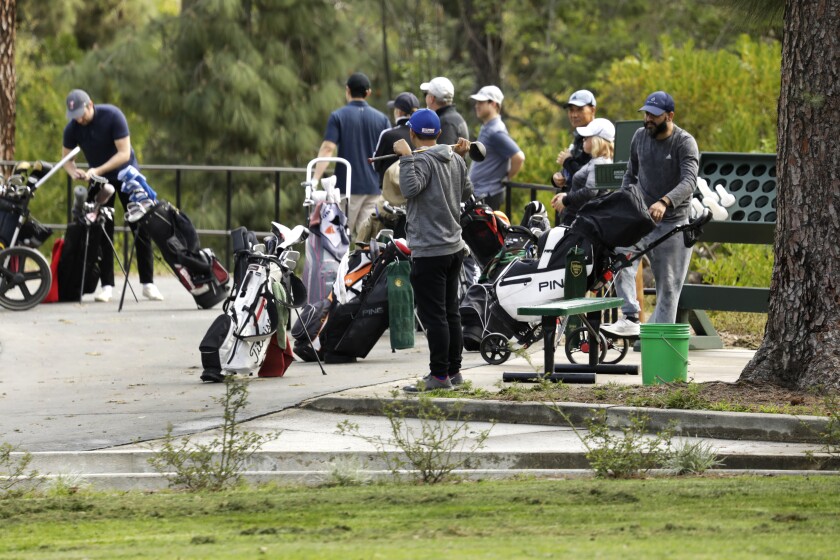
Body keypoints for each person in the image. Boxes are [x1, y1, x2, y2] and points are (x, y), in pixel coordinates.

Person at [601, 91, 700, 338]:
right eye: (646, 114)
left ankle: (661, 340)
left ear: (669, 116)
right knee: (622, 256)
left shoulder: (684, 142)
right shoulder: (639, 136)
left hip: (674, 224)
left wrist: (665, 202)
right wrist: (625, 201)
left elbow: (689, 181)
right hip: (642, 218)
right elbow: (630, 173)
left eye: (654, 115)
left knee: (668, 286)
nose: (648, 119)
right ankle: (630, 316)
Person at [394, 109, 473, 392]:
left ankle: (439, 376)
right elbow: (466, 192)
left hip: (430, 250)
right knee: (450, 312)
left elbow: (409, 189)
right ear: (439, 134)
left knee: (435, 316)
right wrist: (461, 159)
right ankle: (454, 372)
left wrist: (406, 157)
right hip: (454, 248)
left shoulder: (421, 160)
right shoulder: (455, 159)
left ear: (411, 133)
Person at [62, 89, 162, 303]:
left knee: (140, 227)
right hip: (98, 181)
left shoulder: (113, 116)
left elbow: (124, 154)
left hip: (126, 176)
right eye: (74, 116)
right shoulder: (72, 128)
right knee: (101, 231)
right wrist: (74, 173)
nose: (79, 119)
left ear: (90, 105)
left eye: (81, 114)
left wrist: (96, 170)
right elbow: (66, 159)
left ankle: (148, 283)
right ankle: (107, 286)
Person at [312, 72, 390, 239]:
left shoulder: (338, 116)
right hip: (374, 188)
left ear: (347, 90)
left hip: (346, 188)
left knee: (339, 239)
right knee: (367, 242)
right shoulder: (382, 119)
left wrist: (315, 179)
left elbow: (328, 148)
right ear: (368, 93)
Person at [468, 85, 525, 210]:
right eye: (477, 102)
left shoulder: (495, 131)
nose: (477, 106)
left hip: (487, 194)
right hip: (481, 193)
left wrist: (507, 177)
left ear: (493, 104)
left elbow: (519, 157)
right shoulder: (488, 127)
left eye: (481, 102)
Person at [550, 117, 615, 225]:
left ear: (596, 141)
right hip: (581, 218)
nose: (583, 140)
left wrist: (566, 199)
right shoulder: (598, 160)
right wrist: (566, 195)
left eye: (586, 137)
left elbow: (590, 191)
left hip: (581, 221)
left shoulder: (599, 162)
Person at [371, 91, 420, 187]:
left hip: (391, 190)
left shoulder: (388, 134)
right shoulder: (421, 133)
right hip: (416, 187)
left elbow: (376, 165)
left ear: (399, 112)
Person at [552, 89, 598, 190]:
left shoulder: (598, 138)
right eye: (571, 110)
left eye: (580, 109)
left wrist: (567, 161)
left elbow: (589, 179)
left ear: (592, 110)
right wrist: (559, 176)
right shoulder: (580, 135)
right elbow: (575, 167)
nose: (574, 115)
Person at [420, 76, 469, 146]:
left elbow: (444, 152)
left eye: (426, 94)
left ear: (431, 98)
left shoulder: (445, 122)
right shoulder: (454, 117)